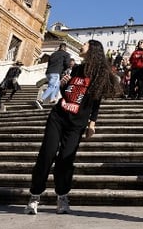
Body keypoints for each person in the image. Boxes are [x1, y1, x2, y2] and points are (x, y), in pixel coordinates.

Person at [26, 40, 122, 215]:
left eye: (84, 44)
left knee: (65, 159)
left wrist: (92, 123)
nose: (81, 47)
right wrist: (63, 85)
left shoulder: (99, 74)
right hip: (58, 116)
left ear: (92, 49)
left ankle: (62, 196)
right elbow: (67, 93)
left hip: (77, 123)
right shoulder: (75, 69)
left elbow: (96, 102)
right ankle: (35, 195)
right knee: (46, 155)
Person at [37, 43, 69, 107]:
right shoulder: (66, 54)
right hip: (56, 72)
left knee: (56, 86)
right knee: (52, 86)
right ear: (65, 48)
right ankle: (41, 99)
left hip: (48, 72)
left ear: (59, 47)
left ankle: (52, 99)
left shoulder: (53, 54)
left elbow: (49, 63)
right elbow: (67, 64)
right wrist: (64, 71)